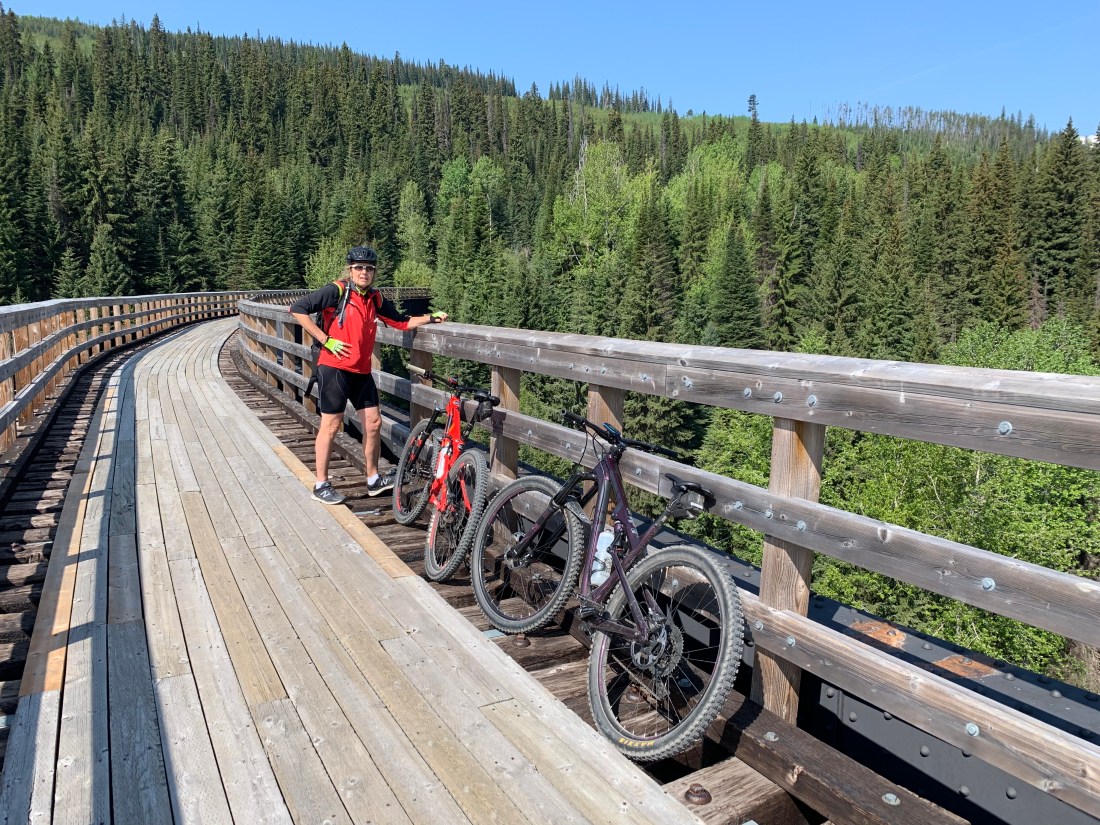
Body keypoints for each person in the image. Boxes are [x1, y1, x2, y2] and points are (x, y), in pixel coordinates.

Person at [289, 245, 447, 505]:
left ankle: (373, 479)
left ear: (374, 272)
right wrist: (325, 340)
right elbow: (297, 309)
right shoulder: (337, 291)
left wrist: (430, 318)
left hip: (361, 371)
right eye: (359, 267)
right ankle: (320, 484)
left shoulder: (374, 298)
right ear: (350, 269)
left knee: (373, 423)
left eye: (369, 268)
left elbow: (401, 322)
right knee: (331, 425)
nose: (364, 272)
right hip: (334, 368)